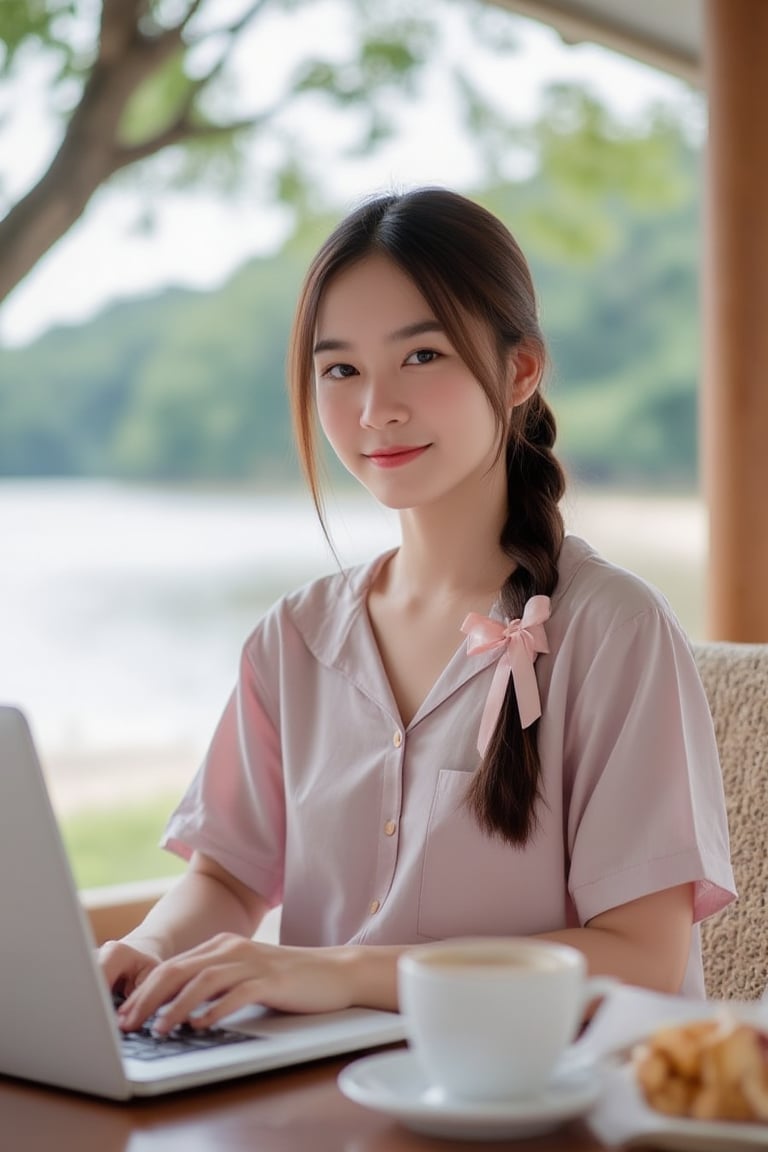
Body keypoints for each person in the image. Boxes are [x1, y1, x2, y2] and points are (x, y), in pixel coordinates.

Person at [102, 188, 736, 1037]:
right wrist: (145, 951)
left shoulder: (615, 630)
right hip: (326, 1100)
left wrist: (339, 973)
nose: (376, 410)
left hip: (547, 1106)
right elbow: (229, 880)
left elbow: (641, 957)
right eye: (340, 370)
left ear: (519, 371)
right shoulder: (292, 640)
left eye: (424, 356)